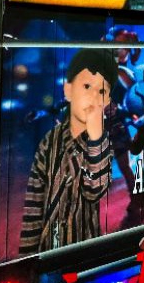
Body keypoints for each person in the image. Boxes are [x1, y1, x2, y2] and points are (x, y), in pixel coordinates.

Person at [19, 49, 117, 255]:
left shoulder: (102, 144)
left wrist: (96, 137)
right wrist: (26, 258)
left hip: (84, 251)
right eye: (86, 86)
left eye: (101, 91)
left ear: (107, 100)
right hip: (48, 250)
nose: (92, 97)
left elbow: (94, 191)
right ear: (68, 90)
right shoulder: (49, 143)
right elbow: (33, 207)